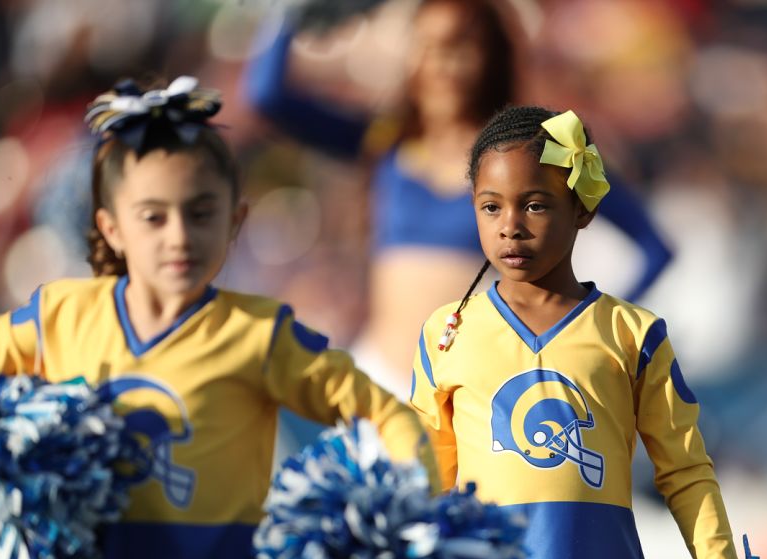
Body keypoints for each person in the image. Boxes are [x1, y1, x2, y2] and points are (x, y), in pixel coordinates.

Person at [0, 76, 437, 559]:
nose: (176, 238)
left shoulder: (257, 335)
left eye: (200, 213)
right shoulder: (60, 318)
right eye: (152, 217)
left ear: (233, 220)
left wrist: (412, 510)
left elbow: (380, 412)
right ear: (108, 228)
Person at [408, 105, 749, 559]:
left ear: (583, 208)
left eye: (535, 204)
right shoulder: (445, 337)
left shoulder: (632, 332)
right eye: (491, 207)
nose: (511, 226)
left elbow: (686, 474)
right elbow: (425, 485)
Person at [243, 0, 672, 396]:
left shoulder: (534, 148)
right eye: (425, 47)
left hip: (475, 396)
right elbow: (267, 96)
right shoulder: (386, 141)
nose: (440, 66)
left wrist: (582, 338)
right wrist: (288, 12)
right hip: (377, 384)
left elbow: (654, 248)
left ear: (492, 57)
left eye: (458, 48)